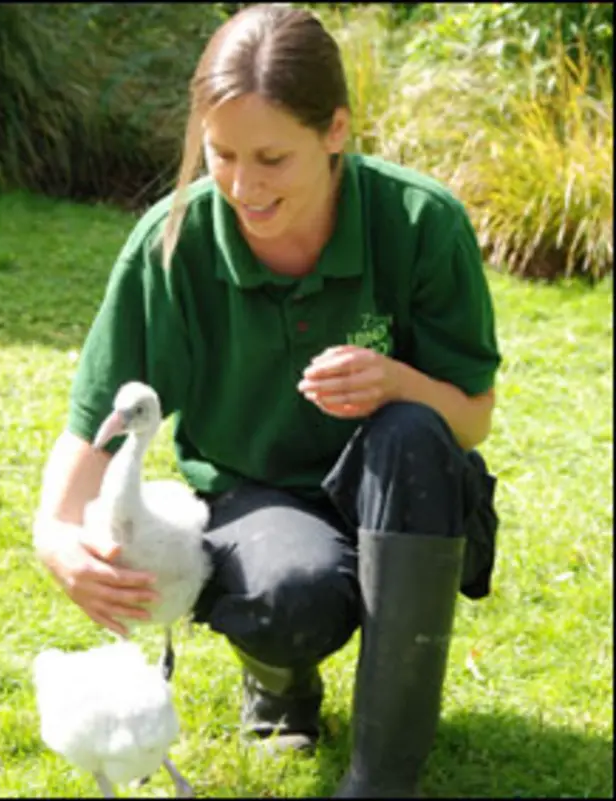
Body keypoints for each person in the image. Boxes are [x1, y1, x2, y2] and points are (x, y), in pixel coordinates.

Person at [32, 3, 502, 797]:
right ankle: (279, 683)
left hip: (400, 488)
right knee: (291, 598)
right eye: (220, 154)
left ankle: (384, 777)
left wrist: (396, 382)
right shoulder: (170, 243)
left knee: (416, 429)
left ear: (336, 131)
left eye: (273, 158)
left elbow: (472, 415)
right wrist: (54, 533)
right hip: (251, 499)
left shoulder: (422, 222)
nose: (244, 187)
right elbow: (95, 423)